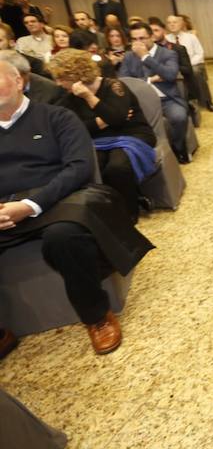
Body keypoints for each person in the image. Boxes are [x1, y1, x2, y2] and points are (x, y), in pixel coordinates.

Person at [0, 60, 154, 355]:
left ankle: (97, 317)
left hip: (55, 200)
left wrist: (30, 205)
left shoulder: (56, 117)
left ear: (19, 82)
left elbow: (78, 168)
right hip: (4, 208)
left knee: (65, 236)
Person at [49, 49, 157, 221]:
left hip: (133, 134)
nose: (58, 83)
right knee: (95, 165)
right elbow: (76, 127)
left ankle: (129, 213)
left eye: (62, 78)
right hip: (99, 140)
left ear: (77, 75)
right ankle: (112, 209)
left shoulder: (114, 86)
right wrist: (102, 121)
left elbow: (116, 119)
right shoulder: (68, 97)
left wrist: (89, 96)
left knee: (117, 167)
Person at [120, 22, 190, 164]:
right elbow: (124, 81)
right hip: (140, 101)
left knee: (179, 117)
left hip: (166, 99)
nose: (138, 43)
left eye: (142, 38)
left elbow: (170, 75)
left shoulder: (168, 53)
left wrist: (146, 57)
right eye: (134, 39)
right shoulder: (128, 56)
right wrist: (150, 79)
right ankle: (146, 156)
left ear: (152, 37)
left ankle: (178, 147)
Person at [166, 14, 213, 112]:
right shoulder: (165, 39)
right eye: (169, 23)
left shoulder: (191, 37)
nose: (172, 25)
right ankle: (184, 103)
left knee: (195, 72)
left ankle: (207, 101)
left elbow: (199, 53)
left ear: (181, 24)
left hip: (192, 64)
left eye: (174, 22)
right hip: (174, 66)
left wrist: (188, 65)